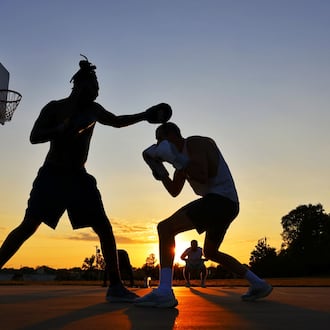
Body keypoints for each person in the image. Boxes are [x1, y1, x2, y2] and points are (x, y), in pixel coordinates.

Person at [0, 57, 170, 302]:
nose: (98, 91)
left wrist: (145, 115)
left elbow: (118, 121)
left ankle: (116, 287)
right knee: (29, 226)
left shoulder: (94, 110)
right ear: (80, 86)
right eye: (95, 86)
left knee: (103, 226)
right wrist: (59, 130)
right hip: (52, 175)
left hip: (78, 177)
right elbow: (34, 136)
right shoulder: (54, 108)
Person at [135, 122, 272, 308]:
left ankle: (165, 291)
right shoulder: (180, 161)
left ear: (173, 136)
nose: (158, 145)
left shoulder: (195, 143)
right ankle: (258, 283)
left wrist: (174, 158)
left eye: (160, 140)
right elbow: (174, 191)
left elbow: (203, 175)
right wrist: (158, 170)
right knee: (210, 252)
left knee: (165, 228)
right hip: (226, 205)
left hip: (219, 200)